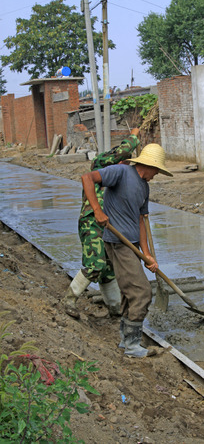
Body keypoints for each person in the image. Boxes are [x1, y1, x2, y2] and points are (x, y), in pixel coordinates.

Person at [81, 143, 173, 358]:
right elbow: (88, 178)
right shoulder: (121, 172)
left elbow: (140, 220)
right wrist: (97, 210)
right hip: (117, 242)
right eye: (156, 170)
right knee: (141, 291)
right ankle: (133, 345)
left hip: (132, 244)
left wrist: (147, 254)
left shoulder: (144, 187)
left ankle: (125, 340)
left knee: (128, 291)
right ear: (147, 165)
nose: (156, 174)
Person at [62, 128, 140, 319]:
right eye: (124, 161)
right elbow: (121, 152)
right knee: (95, 264)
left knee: (107, 269)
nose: (125, 165)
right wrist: (135, 136)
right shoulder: (100, 164)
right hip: (92, 222)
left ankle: (115, 309)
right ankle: (69, 300)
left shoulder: (123, 177)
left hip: (107, 227)